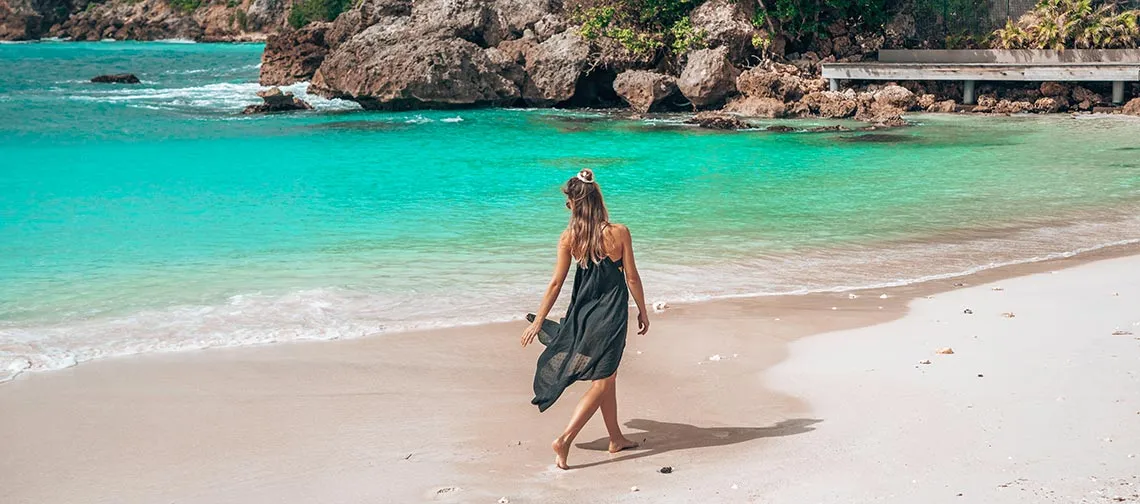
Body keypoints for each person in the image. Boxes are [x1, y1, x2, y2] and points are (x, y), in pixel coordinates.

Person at [521, 168, 651, 470]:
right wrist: (642, 310)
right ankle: (565, 439)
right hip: (611, 316)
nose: (566, 206)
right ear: (597, 199)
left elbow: (556, 283)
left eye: (568, 201)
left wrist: (539, 320)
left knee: (608, 377)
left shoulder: (569, 238)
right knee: (603, 380)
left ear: (575, 205)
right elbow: (631, 276)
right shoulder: (619, 232)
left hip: (581, 315)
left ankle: (616, 437)